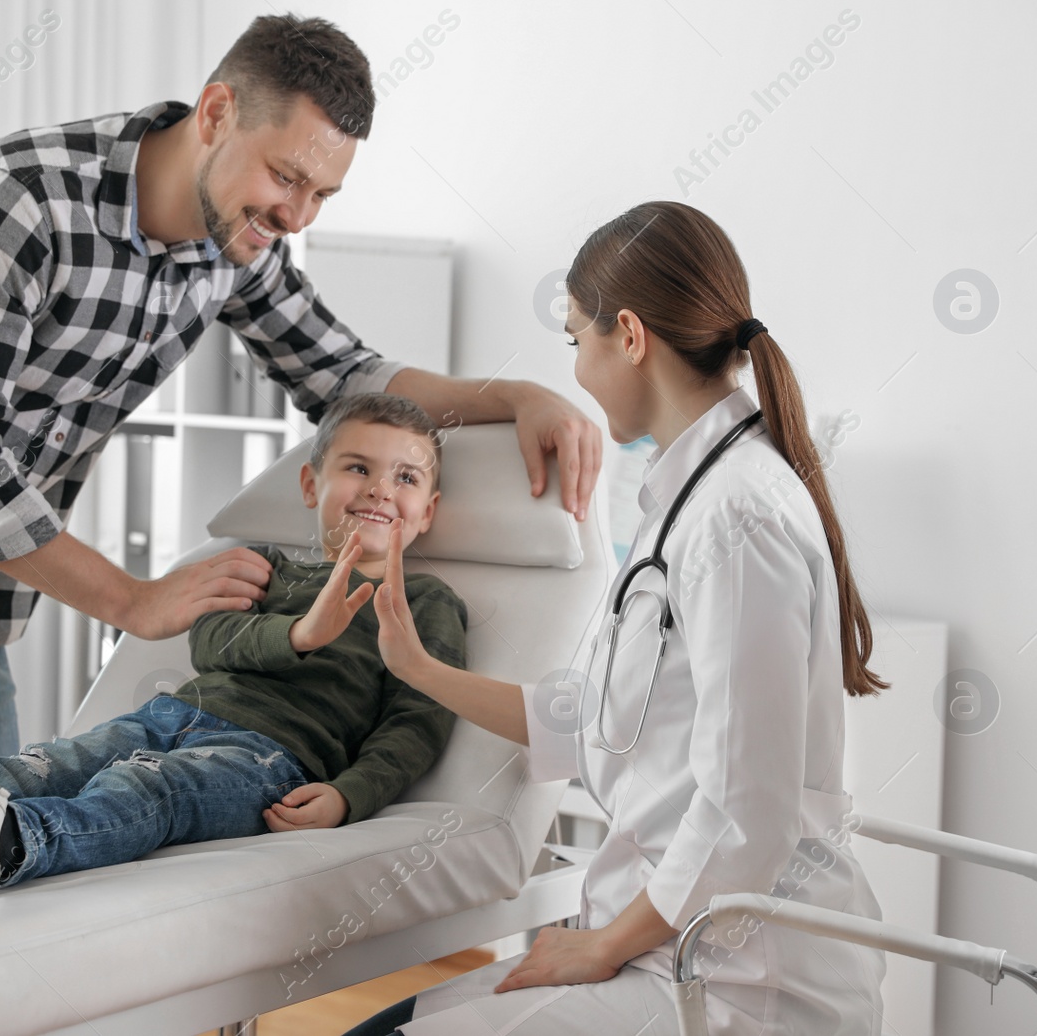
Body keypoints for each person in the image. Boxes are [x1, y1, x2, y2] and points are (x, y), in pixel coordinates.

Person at [0, 12, 600, 815]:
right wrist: (134, 600)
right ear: (214, 115)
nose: (296, 213)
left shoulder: (237, 244)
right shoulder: (21, 198)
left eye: (322, 195)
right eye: (286, 176)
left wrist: (513, 393)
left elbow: (344, 373)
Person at [345, 202, 889, 1035]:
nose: (579, 371)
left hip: (733, 979)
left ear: (628, 336)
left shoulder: (735, 518)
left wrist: (600, 947)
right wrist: (417, 665)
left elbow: (747, 807)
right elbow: (590, 722)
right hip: (662, 944)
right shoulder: (688, 503)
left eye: (576, 339)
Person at [0, 393, 468, 903]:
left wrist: (348, 796)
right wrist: (297, 632)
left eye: (406, 477)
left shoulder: (427, 605)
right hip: (168, 717)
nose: (380, 489)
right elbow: (211, 639)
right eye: (358, 468)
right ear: (312, 483)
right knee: (44, 762)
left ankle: (7, 845)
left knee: (144, 788)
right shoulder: (266, 566)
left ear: (430, 510)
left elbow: (416, 724)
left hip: (271, 761)